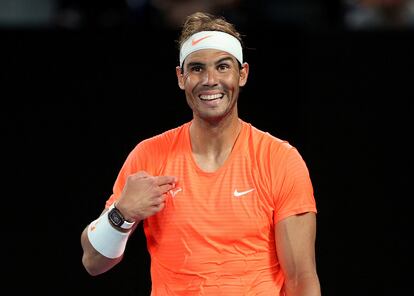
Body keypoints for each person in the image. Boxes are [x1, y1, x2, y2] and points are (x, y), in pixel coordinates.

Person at [81, 11, 321, 296]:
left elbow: (301, 280)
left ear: (242, 74)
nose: (210, 80)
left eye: (222, 67)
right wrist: (121, 214)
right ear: (181, 77)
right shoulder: (149, 156)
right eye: (196, 68)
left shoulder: (280, 160)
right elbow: (94, 262)